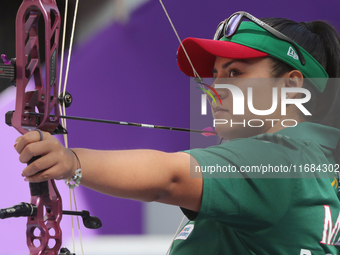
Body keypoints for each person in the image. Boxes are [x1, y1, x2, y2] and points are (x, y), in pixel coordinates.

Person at [14, 11, 340, 254]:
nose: (215, 88)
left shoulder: (278, 157)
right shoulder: (310, 164)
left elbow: (170, 178)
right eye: (215, 74)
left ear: (292, 85)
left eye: (236, 73)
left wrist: (71, 162)